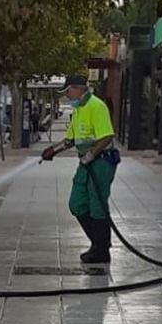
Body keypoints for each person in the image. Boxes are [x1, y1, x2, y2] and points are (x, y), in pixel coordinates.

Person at [40, 73, 120, 264]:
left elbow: (106, 136)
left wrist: (91, 155)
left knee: (97, 206)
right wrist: (53, 150)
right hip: (86, 163)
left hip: (101, 163)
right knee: (77, 203)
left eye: (68, 91)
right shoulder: (78, 110)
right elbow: (71, 139)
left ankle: (101, 250)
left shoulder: (96, 106)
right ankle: (97, 244)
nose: (67, 95)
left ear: (78, 89)